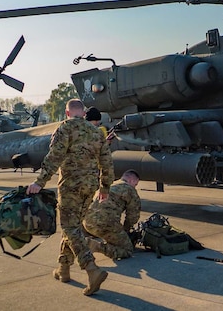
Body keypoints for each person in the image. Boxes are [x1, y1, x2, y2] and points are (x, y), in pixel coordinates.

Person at [27, 99, 114, 296]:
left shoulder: (65, 128)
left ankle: (91, 269)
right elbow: (107, 162)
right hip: (90, 186)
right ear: (83, 113)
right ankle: (63, 269)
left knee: (69, 227)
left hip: (71, 186)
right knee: (73, 226)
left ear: (67, 113)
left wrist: (39, 182)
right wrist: (105, 187)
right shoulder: (95, 132)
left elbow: (54, 157)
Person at [84, 169, 141, 260]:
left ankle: (83, 241)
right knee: (127, 250)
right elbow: (133, 216)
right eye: (135, 184)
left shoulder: (109, 185)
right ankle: (97, 247)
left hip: (87, 223)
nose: (135, 187)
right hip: (105, 225)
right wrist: (125, 230)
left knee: (110, 234)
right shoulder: (129, 190)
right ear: (132, 180)